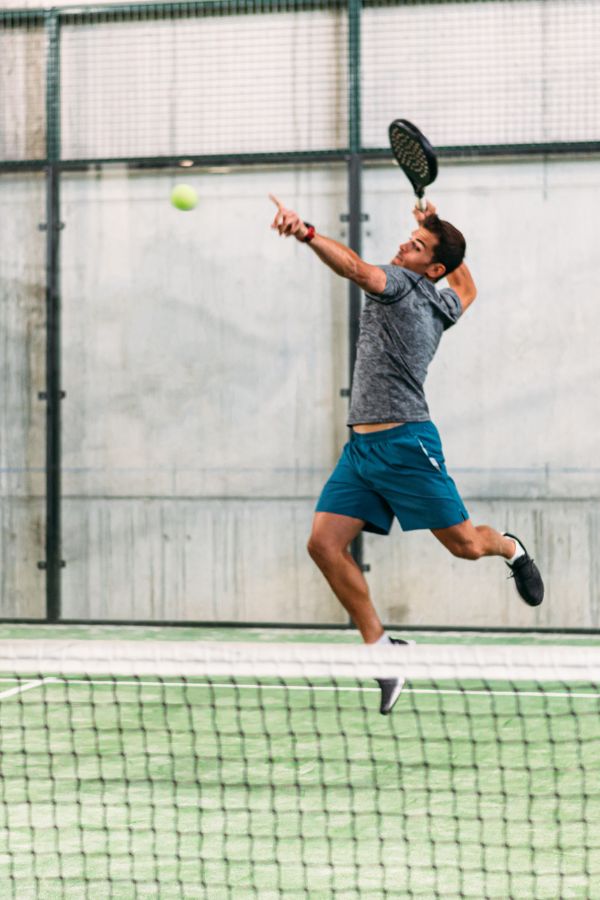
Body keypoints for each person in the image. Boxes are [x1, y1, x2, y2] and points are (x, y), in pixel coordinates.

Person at [269, 193, 544, 714]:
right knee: (324, 545)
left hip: (408, 445)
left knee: (464, 546)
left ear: (430, 267)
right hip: (362, 450)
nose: (404, 244)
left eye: (416, 245)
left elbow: (353, 267)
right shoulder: (445, 302)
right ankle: (382, 651)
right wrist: (432, 226)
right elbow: (467, 283)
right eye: (409, 239)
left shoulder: (399, 286)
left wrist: (305, 233)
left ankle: (510, 548)